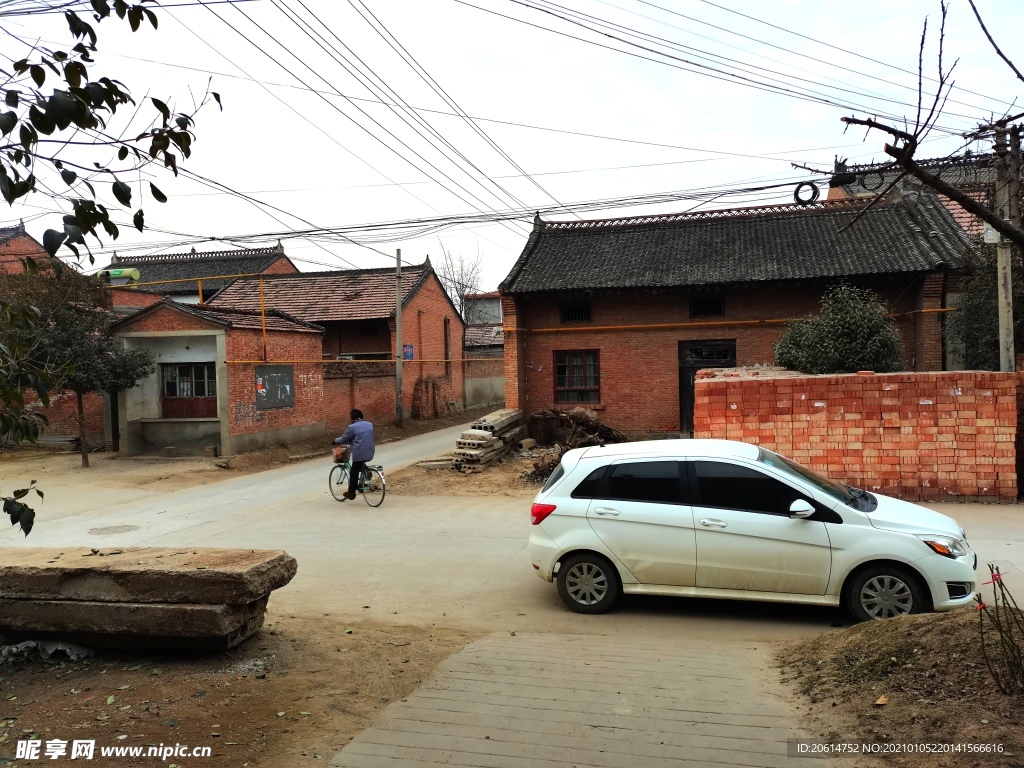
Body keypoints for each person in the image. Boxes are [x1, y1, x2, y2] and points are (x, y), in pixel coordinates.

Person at [333, 409, 376, 501]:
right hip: (371, 451)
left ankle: (351, 493)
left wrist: (335, 441)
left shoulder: (352, 427)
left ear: (353, 417)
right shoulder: (369, 424)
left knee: (353, 471)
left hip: (359, 452)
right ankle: (366, 472)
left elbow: (344, 439)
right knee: (359, 464)